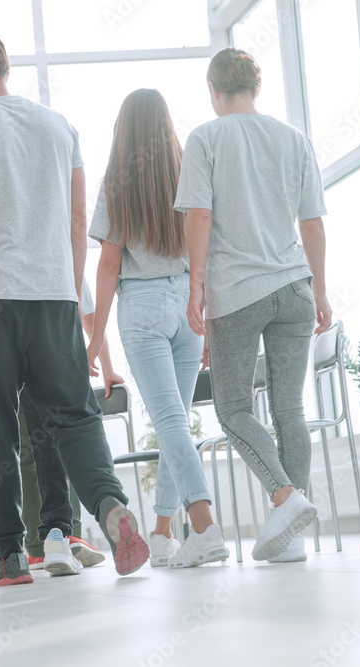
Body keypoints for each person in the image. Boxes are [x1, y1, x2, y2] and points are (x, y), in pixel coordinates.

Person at [0, 31, 150, 586]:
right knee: (74, 417)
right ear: (4, 67)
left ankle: (6, 553)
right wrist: (66, 287)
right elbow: (79, 223)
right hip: (54, 293)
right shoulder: (61, 127)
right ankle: (109, 506)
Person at [175, 47, 330, 562]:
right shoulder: (294, 139)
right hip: (294, 288)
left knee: (235, 408)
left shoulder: (207, 137)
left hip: (238, 293)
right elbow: (312, 224)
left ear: (214, 91)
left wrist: (196, 286)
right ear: (254, 88)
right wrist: (321, 291)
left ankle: (285, 499)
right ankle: (291, 538)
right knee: (290, 409)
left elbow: (198, 216)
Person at [87, 88, 228, 569]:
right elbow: (207, 241)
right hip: (189, 299)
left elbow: (108, 265)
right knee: (176, 423)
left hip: (143, 304)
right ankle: (164, 534)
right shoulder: (189, 167)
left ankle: (205, 527)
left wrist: (94, 337)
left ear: (122, 130)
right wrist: (203, 310)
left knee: (169, 422)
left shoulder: (117, 180)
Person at [21, 280, 118, 574]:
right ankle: (60, 536)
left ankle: (47, 541)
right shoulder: (62, 256)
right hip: (62, 363)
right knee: (63, 443)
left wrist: (108, 367)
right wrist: (107, 367)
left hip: (29, 364)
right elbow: (89, 321)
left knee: (34, 449)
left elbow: (87, 317)